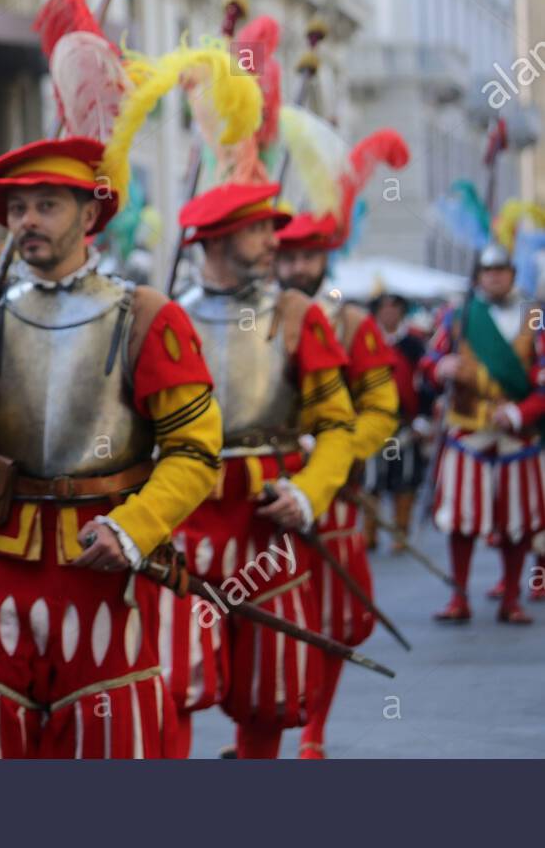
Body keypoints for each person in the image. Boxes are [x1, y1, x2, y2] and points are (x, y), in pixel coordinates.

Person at [0, 137, 223, 759]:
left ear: (89, 215)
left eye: (46, 205)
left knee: (108, 731)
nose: (26, 220)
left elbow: (195, 452)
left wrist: (135, 528)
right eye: (18, 208)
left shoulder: (148, 317)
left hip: (102, 552)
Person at [166, 181, 357, 759]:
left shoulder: (300, 316)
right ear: (219, 238)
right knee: (173, 676)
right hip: (183, 510)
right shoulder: (163, 317)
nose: (274, 240)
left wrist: (307, 494)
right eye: (258, 229)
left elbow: (336, 426)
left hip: (267, 516)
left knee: (269, 681)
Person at [274, 213, 400, 759]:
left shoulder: (352, 324)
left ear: (324, 258)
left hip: (330, 494)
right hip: (264, 493)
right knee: (261, 617)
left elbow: (381, 410)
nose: (296, 267)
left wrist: (333, 449)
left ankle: (313, 732)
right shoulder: (254, 318)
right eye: (287, 256)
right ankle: (255, 733)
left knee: (328, 619)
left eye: (306, 256)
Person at [422, 243, 545, 624]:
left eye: (501, 270)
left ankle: (511, 598)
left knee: (518, 521)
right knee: (459, 519)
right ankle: (459, 598)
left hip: (517, 435)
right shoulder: (457, 316)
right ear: (478, 277)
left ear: (512, 274)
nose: (494, 277)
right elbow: (428, 361)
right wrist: (440, 367)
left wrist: (521, 411)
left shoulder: (535, 317)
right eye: (488, 271)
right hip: (468, 429)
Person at [366, 291, 432, 552]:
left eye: (394, 309)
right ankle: (369, 533)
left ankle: (400, 532)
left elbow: (426, 383)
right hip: (372, 421)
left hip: (405, 424)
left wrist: (423, 421)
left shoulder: (414, 344)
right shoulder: (367, 340)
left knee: (404, 480)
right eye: (384, 309)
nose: (389, 313)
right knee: (372, 480)